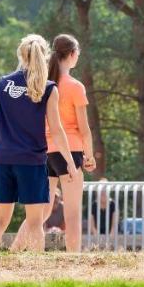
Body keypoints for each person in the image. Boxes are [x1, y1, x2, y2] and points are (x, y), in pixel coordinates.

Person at [0, 33, 78, 252]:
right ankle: (35, 270)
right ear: (45, 57)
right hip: (31, 161)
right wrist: (70, 162)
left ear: (20, 55)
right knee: (35, 222)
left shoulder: (2, 84)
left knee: (0, 221)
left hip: (4, 160)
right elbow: (56, 130)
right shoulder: (48, 87)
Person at [46, 34, 97, 252]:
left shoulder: (45, 83)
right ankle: (73, 260)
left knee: (39, 213)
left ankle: (22, 252)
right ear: (72, 54)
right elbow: (84, 130)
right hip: (71, 150)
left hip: (45, 150)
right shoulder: (75, 86)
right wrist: (90, 156)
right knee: (73, 214)